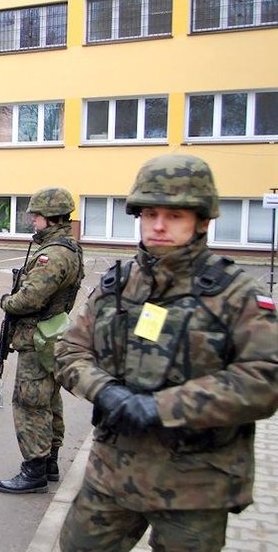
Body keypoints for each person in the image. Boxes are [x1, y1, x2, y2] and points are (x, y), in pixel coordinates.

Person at [55, 154, 278, 552]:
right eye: (150, 213)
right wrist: (105, 390)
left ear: (202, 221)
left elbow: (264, 379)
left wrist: (163, 407)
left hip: (195, 488)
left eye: (174, 216)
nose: (158, 226)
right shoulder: (117, 285)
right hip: (113, 474)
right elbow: (70, 350)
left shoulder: (234, 293)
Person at [0, 187, 84, 495]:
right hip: (51, 333)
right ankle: (49, 462)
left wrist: (7, 301)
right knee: (49, 399)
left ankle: (34, 469)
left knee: (30, 402)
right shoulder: (68, 247)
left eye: (36, 216)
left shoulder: (53, 254)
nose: (33, 221)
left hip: (37, 336)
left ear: (51, 217)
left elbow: (29, 299)